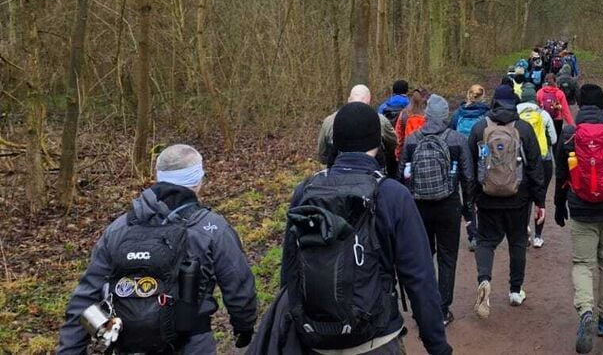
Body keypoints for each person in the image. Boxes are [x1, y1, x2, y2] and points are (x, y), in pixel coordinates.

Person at [251, 102, 452, 355]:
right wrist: (437, 345)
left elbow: (290, 269)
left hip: (316, 339)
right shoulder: (392, 195)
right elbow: (419, 278)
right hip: (376, 338)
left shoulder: (306, 190)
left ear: (334, 143)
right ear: (378, 143)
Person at [57, 144, 257, 355]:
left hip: (129, 345)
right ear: (198, 180)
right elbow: (238, 284)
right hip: (193, 344)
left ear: (158, 177)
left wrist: (70, 350)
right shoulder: (212, 227)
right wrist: (244, 326)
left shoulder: (119, 228)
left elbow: (86, 297)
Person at [553, 84, 603, 354]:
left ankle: (586, 312)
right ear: (602, 104)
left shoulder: (568, 134)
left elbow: (561, 174)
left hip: (580, 207)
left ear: (578, 103)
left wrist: (558, 205)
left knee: (582, 263)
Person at [467, 85, 545, 319]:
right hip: (518, 198)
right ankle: (515, 291)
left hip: (487, 197)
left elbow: (470, 168)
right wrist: (539, 201)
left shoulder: (480, 129)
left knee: (486, 241)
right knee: (518, 241)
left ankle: (484, 281)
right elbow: (535, 167)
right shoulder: (524, 128)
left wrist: (471, 200)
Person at [400, 94, 474, 325]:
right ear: (445, 116)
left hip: (419, 207)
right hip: (448, 205)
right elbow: (468, 177)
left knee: (423, 257)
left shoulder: (412, 140)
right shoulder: (457, 139)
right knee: (447, 257)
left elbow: (402, 175)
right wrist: (468, 210)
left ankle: (422, 307)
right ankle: (442, 310)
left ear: (427, 114)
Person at [318, 84, 399, 178]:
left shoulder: (329, 121)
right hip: (373, 175)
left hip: (336, 175)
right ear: (368, 101)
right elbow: (393, 143)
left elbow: (322, 153)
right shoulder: (381, 121)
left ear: (349, 99)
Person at [450, 84, 491, 251]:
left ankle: (472, 233)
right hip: (481, 160)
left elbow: (451, 135)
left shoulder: (457, 114)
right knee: (483, 195)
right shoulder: (487, 115)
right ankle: (485, 232)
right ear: (483, 97)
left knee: (467, 198)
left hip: (461, 160)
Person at [516, 84, 557, 248]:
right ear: (535, 98)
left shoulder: (515, 114)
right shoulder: (544, 114)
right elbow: (553, 139)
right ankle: (538, 236)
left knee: (523, 198)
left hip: (521, 161)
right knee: (540, 197)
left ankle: (523, 230)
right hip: (543, 160)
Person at [537, 73, 576, 140]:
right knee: (557, 140)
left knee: (545, 139)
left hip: (544, 119)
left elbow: (537, 109)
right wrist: (572, 126)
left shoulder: (540, 93)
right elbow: (565, 111)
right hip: (557, 120)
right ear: (555, 81)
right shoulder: (560, 93)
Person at [396, 88, 428, 153]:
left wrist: (398, 154)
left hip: (407, 151)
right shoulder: (427, 117)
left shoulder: (403, 114)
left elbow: (399, 136)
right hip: (424, 152)